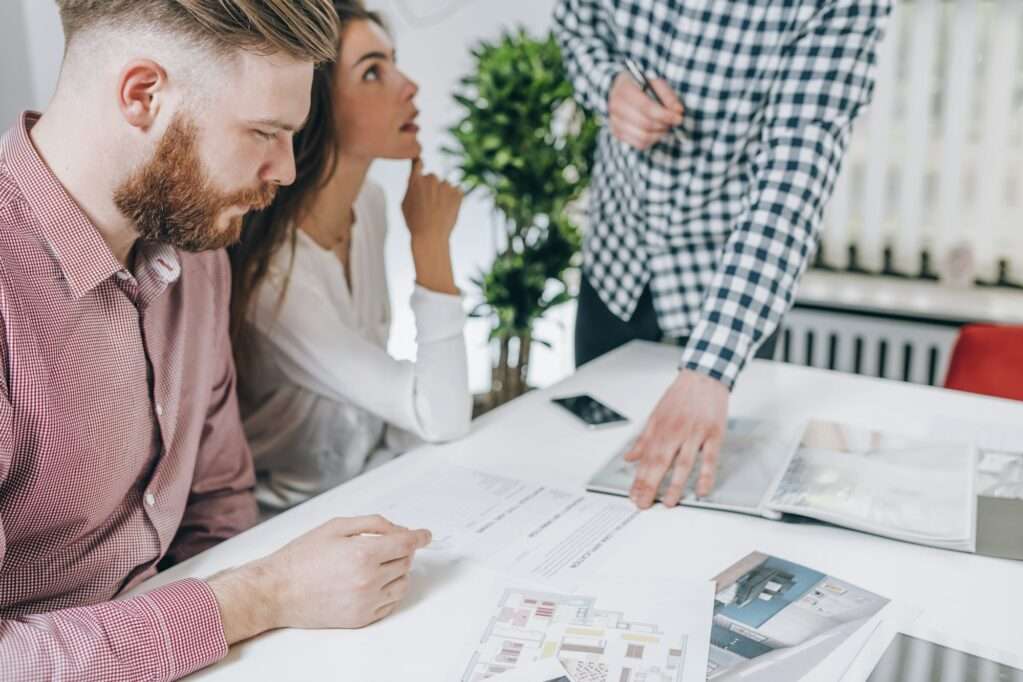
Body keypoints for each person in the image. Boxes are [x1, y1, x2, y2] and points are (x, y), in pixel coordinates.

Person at [0, 2, 430, 679]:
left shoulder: (200, 260)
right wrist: (260, 598)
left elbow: (220, 502)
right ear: (143, 95)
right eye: (264, 132)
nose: (286, 171)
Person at [553, 0, 892, 509]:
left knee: (711, 496)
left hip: (729, 291)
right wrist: (608, 87)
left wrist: (711, 368)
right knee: (585, 480)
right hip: (616, 262)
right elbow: (576, 23)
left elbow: (794, 175)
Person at [229, 0, 471, 512]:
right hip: (291, 522)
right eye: (372, 73)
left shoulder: (371, 205)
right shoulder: (279, 279)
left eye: (393, 62)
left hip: (372, 485)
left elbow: (399, 414)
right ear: (312, 103)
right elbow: (440, 414)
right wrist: (431, 248)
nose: (408, 86)